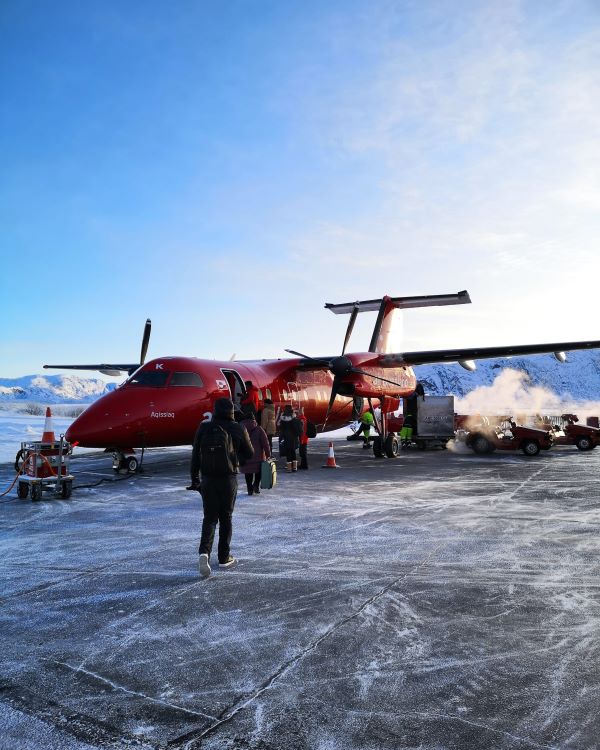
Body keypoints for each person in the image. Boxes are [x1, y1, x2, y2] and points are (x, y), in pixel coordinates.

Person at [190, 397, 254, 578]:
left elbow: (195, 455)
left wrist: (195, 479)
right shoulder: (238, 427)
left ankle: (204, 553)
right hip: (228, 478)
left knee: (209, 518)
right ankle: (224, 557)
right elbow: (249, 453)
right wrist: (235, 455)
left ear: (215, 410)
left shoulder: (204, 427)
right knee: (226, 517)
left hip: (208, 479)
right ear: (232, 411)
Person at [240, 410, 271, 495]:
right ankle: (256, 485)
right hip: (258, 457)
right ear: (254, 419)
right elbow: (265, 443)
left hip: (246, 456)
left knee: (248, 473)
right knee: (259, 471)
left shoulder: (240, 429)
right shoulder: (259, 429)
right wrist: (268, 454)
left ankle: (249, 489)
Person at [279, 404, 303, 472]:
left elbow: (281, 428)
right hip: (294, 437)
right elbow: (298, 429)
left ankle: (289, 468)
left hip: (286, 437)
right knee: (293, 452)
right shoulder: (294, 418)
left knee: (288, 453)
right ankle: (295, 467)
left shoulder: (283, 419)